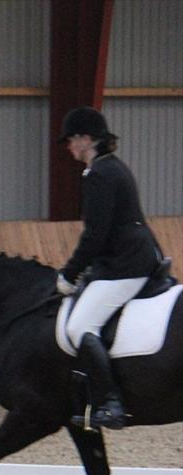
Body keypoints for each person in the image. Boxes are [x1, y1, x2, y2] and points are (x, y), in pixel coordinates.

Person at [55, 106, 162, 429]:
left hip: (125, 264)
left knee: (78, 328)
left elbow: (95, 236)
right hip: (132, 256)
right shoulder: (112, 167)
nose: (69, 146)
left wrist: (70, 273)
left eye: (72, 140)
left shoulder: (100, 174)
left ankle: (110, 402)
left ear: (87, 139)